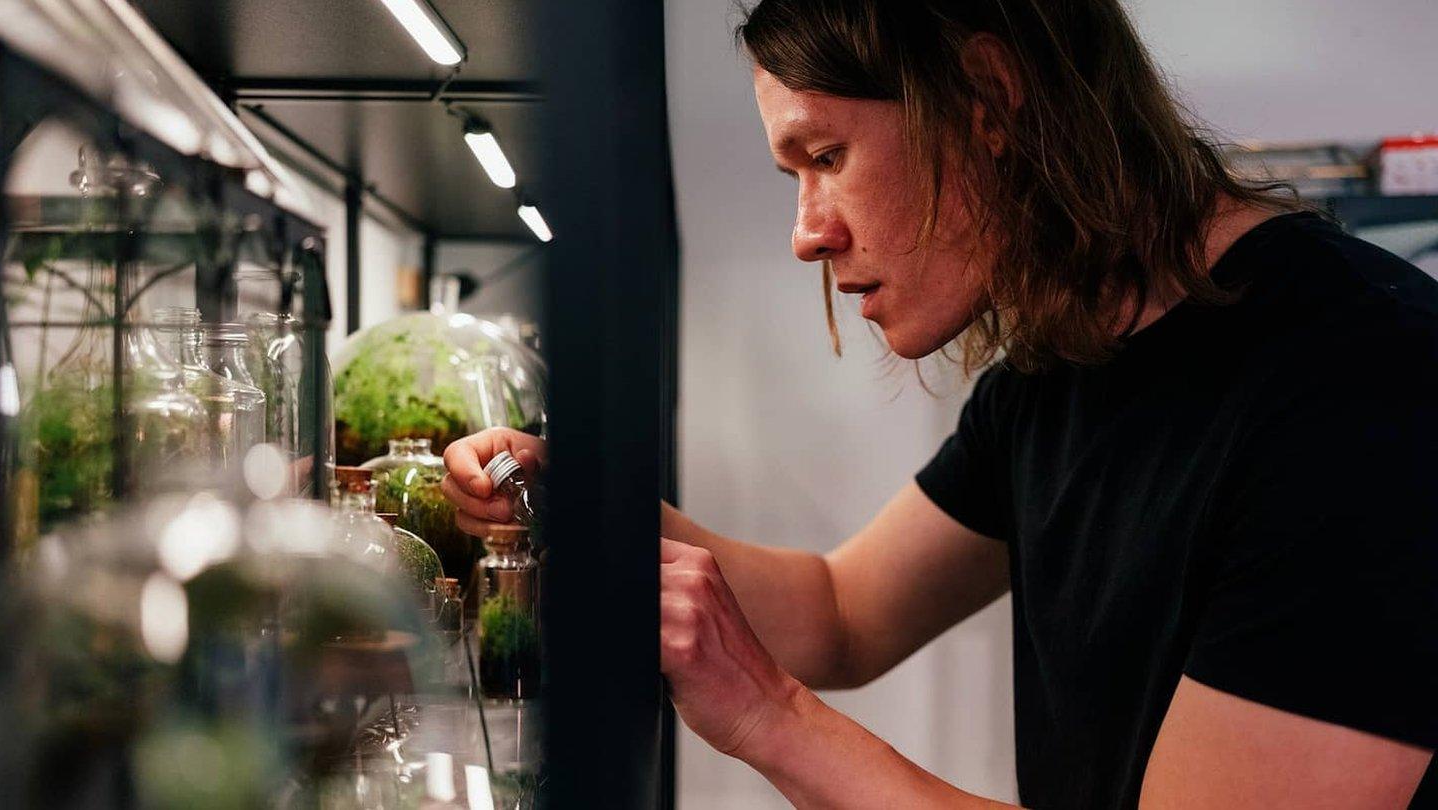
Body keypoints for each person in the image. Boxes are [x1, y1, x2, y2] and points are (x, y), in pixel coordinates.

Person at [442, 0, 1438, 806]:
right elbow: (841, 613)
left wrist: (768, 718)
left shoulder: (1362, 383)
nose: (806, 235)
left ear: (989, 102)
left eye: (827, 158)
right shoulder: (1065, 364)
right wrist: (587, 513)